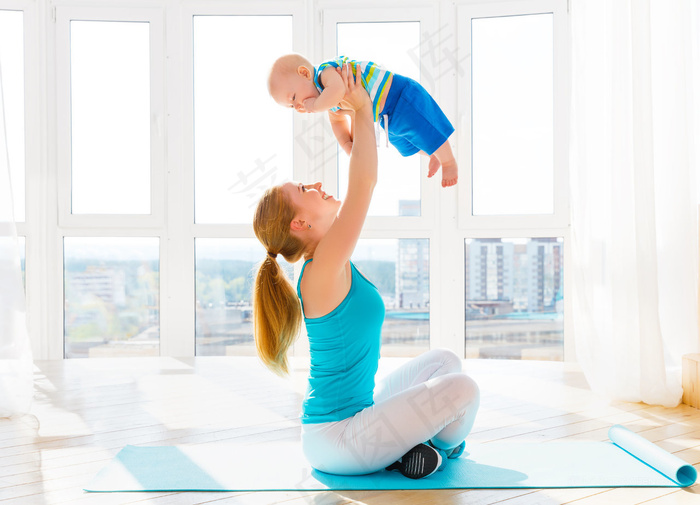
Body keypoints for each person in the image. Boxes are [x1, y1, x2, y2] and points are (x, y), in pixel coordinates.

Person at [253, 63, 479, 479]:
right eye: (305, 191)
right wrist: (360, 106)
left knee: (445, 362)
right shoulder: (321, 270)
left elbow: (359, 166)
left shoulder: (328, 260)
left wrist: (352, 118)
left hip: (361, 416)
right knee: (464, 390)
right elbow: (364, 183)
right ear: (298, 225)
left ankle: (413, 446)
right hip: (336, 441)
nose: (318, 186)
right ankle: (435, 445)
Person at [267, 53, 459, 188]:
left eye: (293, 98)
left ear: (304, 73)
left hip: (400, 97)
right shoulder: (329, 101)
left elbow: (338, 91)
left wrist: (316, 105)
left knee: (423, 129)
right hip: (386, 116)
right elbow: (337, 122)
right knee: (404, 143)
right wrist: (347, 144)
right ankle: (433, 154)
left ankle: (449, 162)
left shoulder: (324, 74)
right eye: (292, 107)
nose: (299, 107)